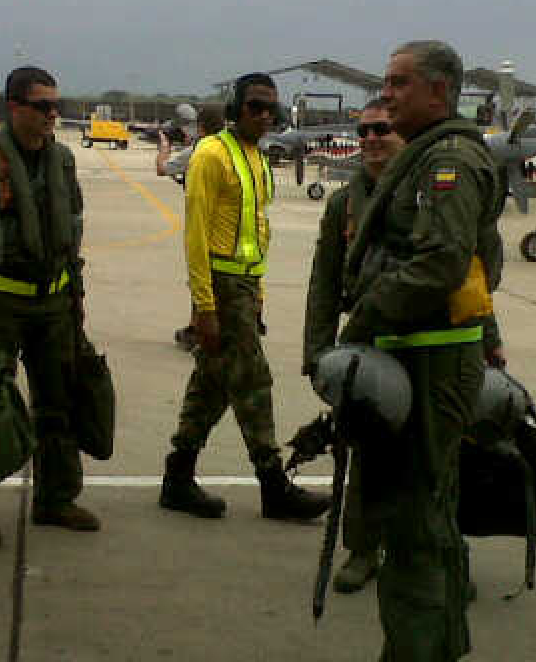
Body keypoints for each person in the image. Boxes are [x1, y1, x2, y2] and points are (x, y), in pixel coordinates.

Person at [337, 41, 504, 660]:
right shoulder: (431, 154)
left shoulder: (450, 162)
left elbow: (439, 266)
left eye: (399, 83)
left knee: (411, 523)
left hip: (430, 361)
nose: (387, 94)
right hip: (417, 356)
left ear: (439, 90)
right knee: (424, 518)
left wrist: (362, 321)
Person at [159, 72, 329, 522]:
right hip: (220, 286)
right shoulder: (212, 155)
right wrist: (204, 306)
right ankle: (273, 483)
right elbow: (195, 236)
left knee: (213, 383)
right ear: (235, 109)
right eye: (255, 106)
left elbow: (258, 230)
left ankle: (177, 477)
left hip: (245, 287)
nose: (264, 115)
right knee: (253, 382)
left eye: (270, 107)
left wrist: (259, 294)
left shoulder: (256, 157)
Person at [0, 65, 97, 545]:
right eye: (41, 106)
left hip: (54, 301)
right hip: (2, 303)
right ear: (14, 107)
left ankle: (57, 497)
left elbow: (72, 230)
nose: (51, 115)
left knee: (59, 400)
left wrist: (75, 296)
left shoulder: (62, 161)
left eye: (56, 106)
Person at [302, 98, 404, 593]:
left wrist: (490, 341)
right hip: (366, 342)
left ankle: (435, 552)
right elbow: (323, 282)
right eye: (362, 132)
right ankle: (363, 549)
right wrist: (318, 355)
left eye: (381, 129)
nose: (369, 139)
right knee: (364, 451)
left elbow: (472, 273)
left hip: (426, 342)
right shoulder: (343, 203)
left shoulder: (433, 192)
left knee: (435, 457)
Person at [157, 104, 224, 351]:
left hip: (204, 222)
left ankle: (198, 328)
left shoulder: (200, 150)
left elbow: (161, 169)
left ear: (201, 127)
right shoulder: (231, 149)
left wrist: (164, 148)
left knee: (200, 276)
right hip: (230, 226)